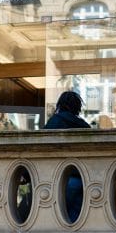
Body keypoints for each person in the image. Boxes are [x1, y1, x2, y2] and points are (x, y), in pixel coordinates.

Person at [43, 91, 91, 221]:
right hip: (82, 180)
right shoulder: (84, 126)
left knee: (57, 220)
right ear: (78, 107)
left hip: (60, 179)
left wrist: (26, 176)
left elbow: (40, 149)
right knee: (75, 221)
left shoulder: (54, 123)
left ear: (60, 105)